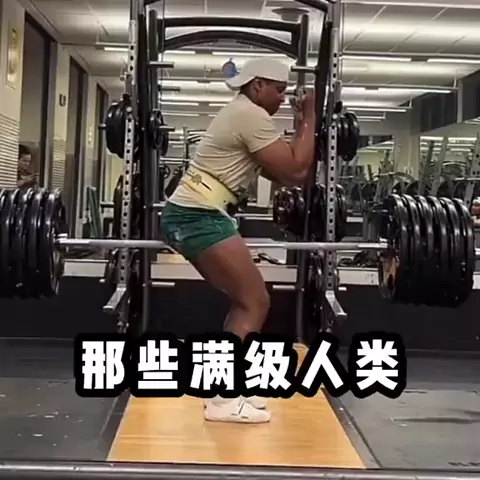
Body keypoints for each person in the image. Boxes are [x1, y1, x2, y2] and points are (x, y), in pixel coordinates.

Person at [160, 57, 316, 423]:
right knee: (255, 302)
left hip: (200, 214)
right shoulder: (250, 115)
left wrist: (300, 128)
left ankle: (226, 386)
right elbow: (296, 171)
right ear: (258, 85)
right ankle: (222, 399)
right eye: (279, 90)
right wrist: (309, 117)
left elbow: (283, 172)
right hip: (197, 215)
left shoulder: (244, 113)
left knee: (246, 301)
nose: (282, 99)